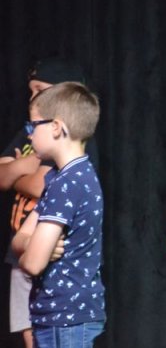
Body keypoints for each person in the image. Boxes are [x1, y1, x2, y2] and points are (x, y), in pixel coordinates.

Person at [0, 57, 98, 348]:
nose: (29, 133)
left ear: (56, 127)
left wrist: (31, 249)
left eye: (34, 127)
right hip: (49, 308)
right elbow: (20, 242)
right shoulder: (59, 179)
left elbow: (32, 261)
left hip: (67, 312)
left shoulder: (68, 181)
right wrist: (28, 244)